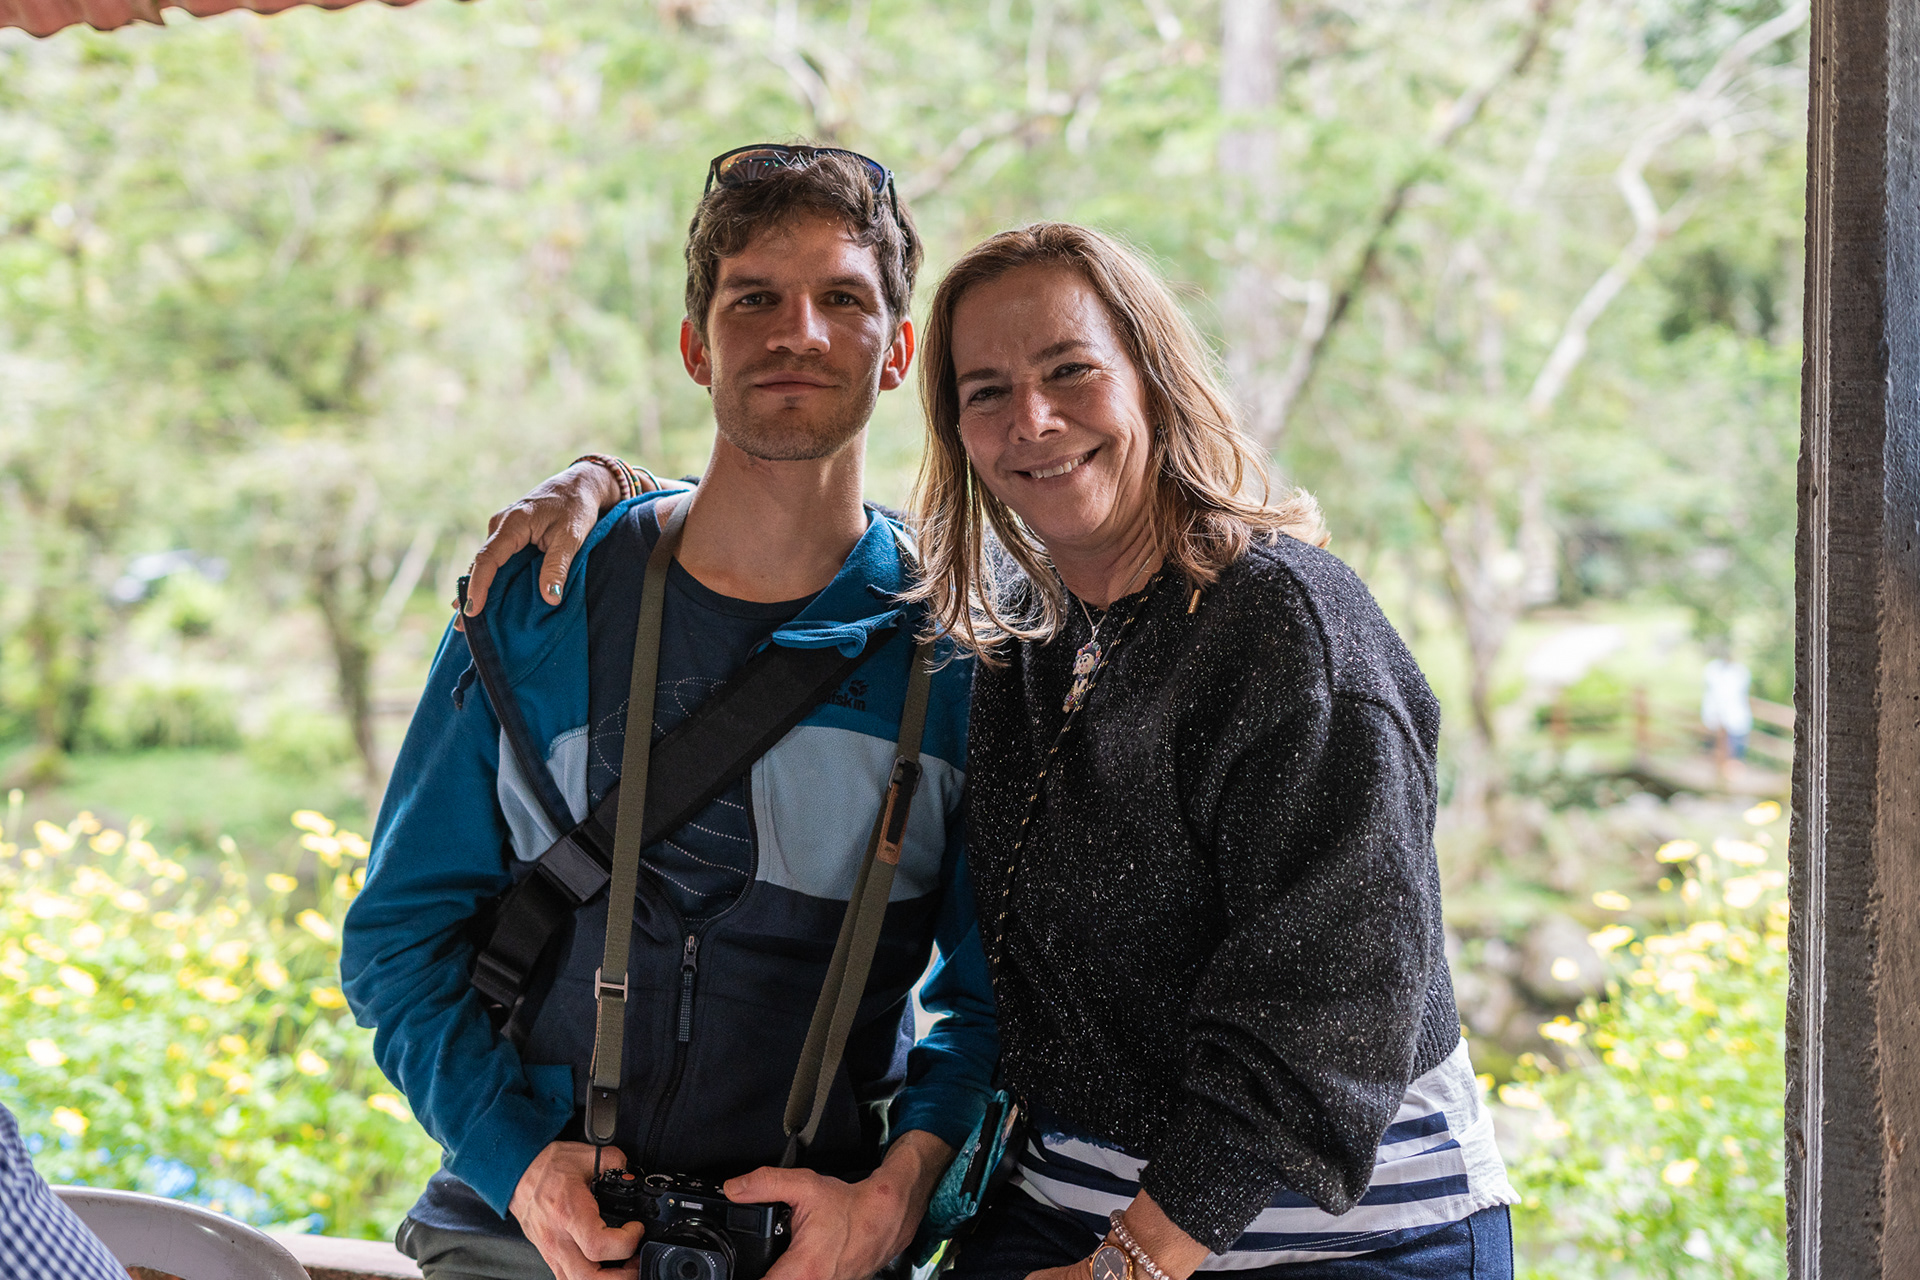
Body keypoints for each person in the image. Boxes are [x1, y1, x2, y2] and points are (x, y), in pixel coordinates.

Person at [475, 224, 1515, 1278]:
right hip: (1060, 1212)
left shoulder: (1286, 628)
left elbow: (1335, 1009)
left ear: (1152, 377)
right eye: (987, 392)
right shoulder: (1017, 632)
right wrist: (611, 485)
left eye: (1070, 371)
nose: (1034, 420)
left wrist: (1135, 1261)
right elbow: (789, 525)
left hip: (1336, 1237)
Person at [341, 146, 997, 1280]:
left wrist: (894, 1205)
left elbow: (994, 1005)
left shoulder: (965, 657)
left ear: (897, 352)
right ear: (697, 346)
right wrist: (519, 1166)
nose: (799, 333)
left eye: (843, 299)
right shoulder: (538, 601)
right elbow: (398, 943)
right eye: (755, 299)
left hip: (814, 1253)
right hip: (520, 1239)